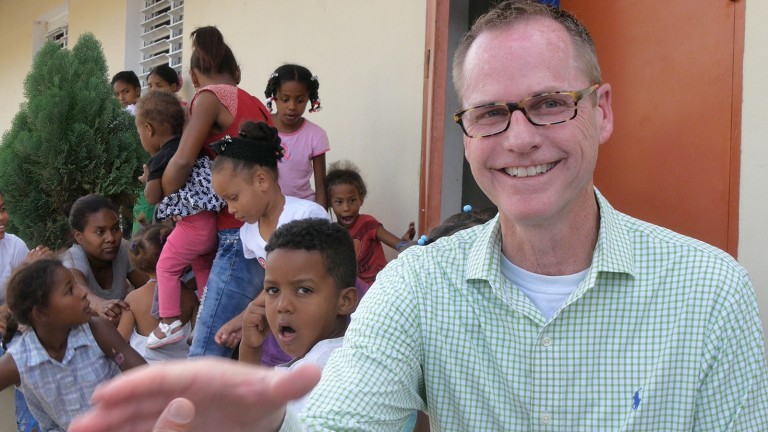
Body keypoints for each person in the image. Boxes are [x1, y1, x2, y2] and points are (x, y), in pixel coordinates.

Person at [68, 1, 768, 431]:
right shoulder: (414, 290)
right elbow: (346, 419)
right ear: (467, 134)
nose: (520, 137)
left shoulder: (710, 294)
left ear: (603, 110)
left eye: (552, 101)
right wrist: (265, 421)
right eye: (490, 112)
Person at [160, 26, 272, 358]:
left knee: (207, 348)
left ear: (194, 75)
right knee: (237, 343)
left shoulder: (209, 98)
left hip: (235, 233)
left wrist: (162, 190)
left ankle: (195, 410)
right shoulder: (256, 105)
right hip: (260, 226)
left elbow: (182, 159)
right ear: (237, 71)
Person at [209, 121, 330, 364]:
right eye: (225, 201)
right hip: (287, 319)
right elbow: (272, 286)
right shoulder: (247, 234)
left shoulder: (305, 216)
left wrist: (246, 315)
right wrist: (242, 321)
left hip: (320, 319)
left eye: (234, 198)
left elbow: (313, 280)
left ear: (261, 181)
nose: (230, 209)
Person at [0, 259, 146, 431]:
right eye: (70, 290)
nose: (83, 293)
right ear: (40, 312)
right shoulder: (19, 361)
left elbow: (146, 377)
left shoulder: (97, 330)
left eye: (76, 285)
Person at [239, 218, 358, 414]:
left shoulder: (324, 371)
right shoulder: (337, 355)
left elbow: (252, 418)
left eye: (304, 290)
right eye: (272, 290)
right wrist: (250, 348)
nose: (282, 306)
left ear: (344, 301)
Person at [135, 90, 222, 348]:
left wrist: (147, 178)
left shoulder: (162, 157)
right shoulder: (192, 147)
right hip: (210, 224)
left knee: (165, 267)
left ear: (148, 129)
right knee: (203, 267)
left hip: (190, 226)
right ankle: (207, 321)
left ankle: (169, 322)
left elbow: (152, 197)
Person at [61, 194, 149, 325]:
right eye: (100, 232)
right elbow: (80, 289)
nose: (111, 238)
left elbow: (148, 285)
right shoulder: (71, 259)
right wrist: (100, 305)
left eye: (115, 228)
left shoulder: (123, 248)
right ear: (79, 236)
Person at [326, 160, 415, 283]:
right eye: (339, 202)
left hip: (379, 283)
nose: (346, 208)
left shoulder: (367, 224)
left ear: (361, 199)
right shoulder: (333, 232)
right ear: (330, 203)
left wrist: (404, 245)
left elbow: (398, 245)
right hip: (354, 289)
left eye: (352, 200)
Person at [119, 224, 198, 361]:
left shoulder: (133, 299)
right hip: (182, 375)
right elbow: (198, 337)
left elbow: (120, 340)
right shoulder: (190, 297)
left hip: (145, 374)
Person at [264, 64, 329, 207]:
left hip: (303, 211)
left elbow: (321, 188)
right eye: (285, 99)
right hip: (267, 210)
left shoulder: (316, 135)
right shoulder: (262, 128)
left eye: (300, 100)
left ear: (309, 99)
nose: (292, 106)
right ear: (274, 97)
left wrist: (321, 221)